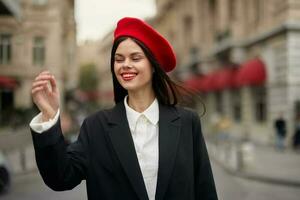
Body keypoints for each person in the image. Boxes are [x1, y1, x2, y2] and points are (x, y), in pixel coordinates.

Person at [29, 17, 218, 200]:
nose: (125, 65)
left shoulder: (187, 122)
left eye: (135, 58)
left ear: (153, 66)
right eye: (119, 59)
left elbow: (205, 189)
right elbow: (61, 177)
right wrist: (50, 114)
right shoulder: (96, 127)